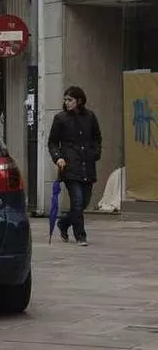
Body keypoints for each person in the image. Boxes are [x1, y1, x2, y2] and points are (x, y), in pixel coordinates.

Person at [48, 86, 102, 246]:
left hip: (87, 165)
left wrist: (95, 152)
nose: (67, 102)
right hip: (70, 166)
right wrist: (58, 157)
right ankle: (81, 236)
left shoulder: (90, 117)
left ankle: (64, 223)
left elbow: (97, 138)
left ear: (79, 100)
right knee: (77, 202)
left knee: (84, 202)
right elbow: (52, 142)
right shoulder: (60, 118)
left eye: (70, 100)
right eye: (65, 100)